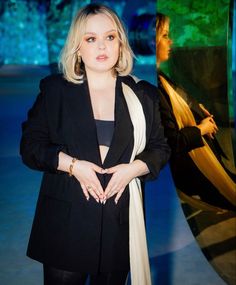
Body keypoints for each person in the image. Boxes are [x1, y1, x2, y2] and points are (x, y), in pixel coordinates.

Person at [20, 4, 170, 285]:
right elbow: (30, 146)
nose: (102, 46)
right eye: (91, 39)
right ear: (78, 47)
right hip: (66, 224)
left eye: (110, 37)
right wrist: (73, 166)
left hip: (119, 224)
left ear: (121, 43)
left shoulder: (143, 94)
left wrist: (132, 169)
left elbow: (160, 147)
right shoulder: (56, 90)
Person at [156, 13, 236, 212]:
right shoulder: (152, 86)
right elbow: (172, 142)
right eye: (165, 35)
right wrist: (201, 128)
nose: (171, 41)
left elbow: (179, 96)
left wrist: (198, 109)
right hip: (186, 167)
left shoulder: (158, 76)